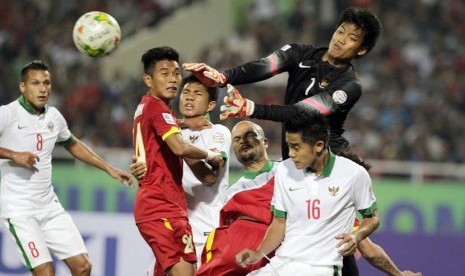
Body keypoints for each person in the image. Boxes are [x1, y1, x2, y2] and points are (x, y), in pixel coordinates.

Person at [184, 7, 385, 275]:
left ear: (361, 50)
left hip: (326, 161)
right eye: (340, 31)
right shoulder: (301, 52)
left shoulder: (349, 86)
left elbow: (304, 112)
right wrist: (224, 77)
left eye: (351, 38)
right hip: (297, 160)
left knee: (336, 238)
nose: (340, 39)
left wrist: (252, 109)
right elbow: (266, 66)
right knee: (320, 238)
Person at [0, 60, 134, 276]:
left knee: (83, 267)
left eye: (47, 83)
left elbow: (72, 144)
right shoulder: (7, 114)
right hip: (19, 210)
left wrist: (109, 168)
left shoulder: (54, 117)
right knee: (45, 271)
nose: (43, 89)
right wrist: (13, 154)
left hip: (49, 207)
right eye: (35, 83)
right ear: (22, 87)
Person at [236, 112, 380, 276]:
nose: (290, 153)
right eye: (289, 146)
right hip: (282, 263)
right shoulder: (284, 170)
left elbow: (372, 218)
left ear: (318, 146)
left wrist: (356, 236)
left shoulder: (353, 174)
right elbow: (279, 223)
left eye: (296, 147)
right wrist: (257, 254)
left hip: (321, 268)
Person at [132, 47, 224, 276]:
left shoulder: (148, 107)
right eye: (164, 73)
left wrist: (184, 123)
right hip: (163, 206)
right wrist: (210, 156)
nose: (173, 80)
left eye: (175, 74)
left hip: (161, 205)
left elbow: (165, 134)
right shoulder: (157, 108)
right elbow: (179, 147)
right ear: (148, 79)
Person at [195, 120, 277, 275]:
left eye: (250, 135)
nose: (243, 141)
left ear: (265, 142)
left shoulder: (287, 172)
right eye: (237, 139)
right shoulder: (233, 194)